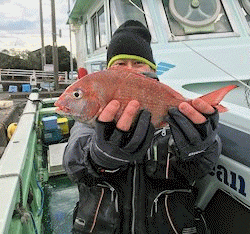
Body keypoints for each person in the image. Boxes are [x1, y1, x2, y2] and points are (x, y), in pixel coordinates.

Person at [63, 20, 221, 234]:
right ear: (109, 70)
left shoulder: (170, 104)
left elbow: (202, 167)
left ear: (152, 68)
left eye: (138, 63)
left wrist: (203, 143)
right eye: (120, 64)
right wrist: (100, 156)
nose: (130, 69)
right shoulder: (89, 122)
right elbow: (73, 165)